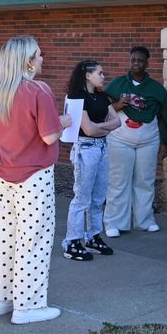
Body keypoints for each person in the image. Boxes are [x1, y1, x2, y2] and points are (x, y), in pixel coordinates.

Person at [0, 35, 71, 325]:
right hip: (34, 174)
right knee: (34, 239)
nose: (43, 57)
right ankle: (29, 306)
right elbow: (49, 135)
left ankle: (3, 299)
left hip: (3, 170)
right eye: (39, 53)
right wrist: (62, 122)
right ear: (27, 60)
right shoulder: (39, 90)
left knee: (7, 236)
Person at [104, 46, 167, 236]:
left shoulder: (156, 89)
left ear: (147, 63)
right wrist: (116, 105)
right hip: (119, 138)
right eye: (133, 60)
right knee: (119, 180)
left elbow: (163, 116)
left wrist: (164, 142)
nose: (136, 63)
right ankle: (114, 223)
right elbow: (101, 108)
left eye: (140, 60)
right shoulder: (117, 84)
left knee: (145, 180)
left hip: (148, 139)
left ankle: (144, 220)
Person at [61, 60, 121, 262]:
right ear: (88, 75)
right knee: (82, 198)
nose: (104, 77)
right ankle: (73, 241)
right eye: (100, 73)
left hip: (103, 147)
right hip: (86, 148)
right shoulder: (77, 97)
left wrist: (99, 126)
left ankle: (93, 237)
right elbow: (88, 130)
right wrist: (103, 126)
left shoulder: (103, 96)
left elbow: (118, 121)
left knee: (98, 197)